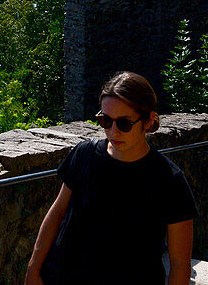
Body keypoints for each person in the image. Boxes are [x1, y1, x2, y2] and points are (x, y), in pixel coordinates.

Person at [25, 72, 197, 285]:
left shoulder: (169, 181)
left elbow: (180, 263)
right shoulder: (84, 154)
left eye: (124, 123)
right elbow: (57, 212)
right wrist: (33, 269)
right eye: (105, 120)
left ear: (148, 120)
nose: (113, 131)